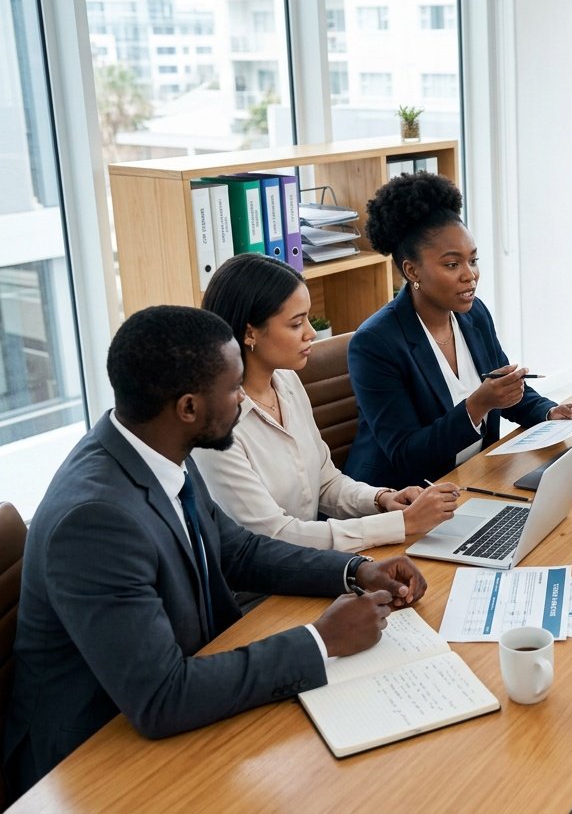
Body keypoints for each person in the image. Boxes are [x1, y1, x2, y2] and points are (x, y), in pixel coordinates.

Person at [3, 306, 427, 796]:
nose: (244, 399)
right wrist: (320, 641)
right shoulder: (96, 520)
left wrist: (356, 570)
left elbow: (239, 551)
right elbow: (162, 697)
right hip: (92, 757)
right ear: (188, 407)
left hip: (183, 685)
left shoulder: (157, 448)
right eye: (233, 389)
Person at [194, 253, 459, 552]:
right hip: (261, 590)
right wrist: (401, 524)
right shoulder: (217, 426)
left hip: (313, 563)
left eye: (308, 317)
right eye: (296, 324)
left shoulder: (287, 382)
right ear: (249, 333)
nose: (310, 332)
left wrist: (383, 500)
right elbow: (275, 535)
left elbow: (325, 482)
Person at [343, 172, 572, 487]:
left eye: (473, 260)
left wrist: (550, 412)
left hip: (472, 478)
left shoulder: (473, 315)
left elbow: (507, 391)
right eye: (452, 265)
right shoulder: (375, 343)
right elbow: (405, 454)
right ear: (411, 270)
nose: (471, 275)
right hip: (401, 498)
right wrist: (478, 405)